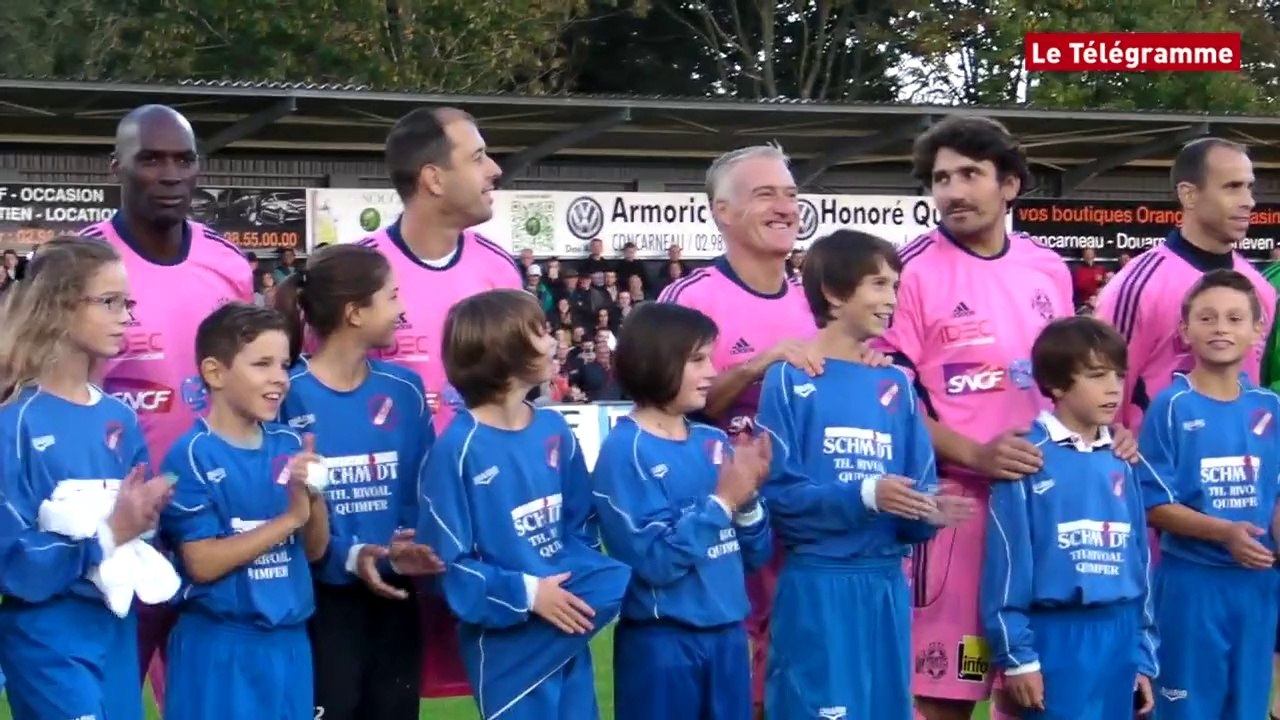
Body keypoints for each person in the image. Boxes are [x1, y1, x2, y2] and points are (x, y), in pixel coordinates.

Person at [879, 115, 1138, 720]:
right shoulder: (909, 270)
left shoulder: (1046, 267)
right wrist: (976, 455)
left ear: (1011, 185)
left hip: (1047, 515)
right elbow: (890, 404)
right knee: (947, 694)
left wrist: (1105, 434)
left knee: (1031, 695)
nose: (952, 191)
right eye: (941, 178)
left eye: (970, 174)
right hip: (961, 514)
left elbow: (1075, 374)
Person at [755, 229, 976, 719]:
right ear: (834, 293)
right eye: (878, 285)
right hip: (820, 586)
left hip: (886, 588)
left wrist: (927, 514)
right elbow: (780, 501)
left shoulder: (895, 383)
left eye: (895, 286)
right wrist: (866, 494)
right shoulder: (790, 379)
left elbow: (914, 490)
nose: (891, 299)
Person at [78, 104, 255, 709]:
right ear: (117, 167)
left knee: (210, 700)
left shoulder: (227, 264)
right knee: (102, 699)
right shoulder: (77, 266)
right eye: (152, 159)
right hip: (117, 526)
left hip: (211, 521)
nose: (171, 174)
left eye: (183, 159)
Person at [357, 107, 523, 699]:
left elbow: (522, 402)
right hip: (385, 537)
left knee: (510, 694)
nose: (495, 169)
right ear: (432, 178)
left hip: (487, 533)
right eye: (477, 157)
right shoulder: (358, 273)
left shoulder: (501, 270)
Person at [655, 144, 822, 715]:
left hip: (802, 534)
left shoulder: (815, 305)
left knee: (802, 690)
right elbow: (658, 407)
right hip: (723, 532)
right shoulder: (691, 299)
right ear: (722, 212)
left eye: (791, 194)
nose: (785, 207)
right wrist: (754, 365)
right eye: (765, 194)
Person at [417, 289, 631, 720]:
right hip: (507, 639)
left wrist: (564, 586)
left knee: (622, 577)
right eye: (541, 332)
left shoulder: (553, 428)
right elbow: (448, 565)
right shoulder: (458, 449)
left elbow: (580, 526)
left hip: (565, 622)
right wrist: (530, 594)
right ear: (506, 352)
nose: (554, 342)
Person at [0, 237, 175, 720]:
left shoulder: (119, 416)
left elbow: (140, 530)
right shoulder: (14, 422)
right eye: (109, 302)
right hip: (48, 636)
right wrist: (108, 533)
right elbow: (12, 557)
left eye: (127, 303)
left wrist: (146, 516)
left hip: (116, 627)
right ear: (58, 306)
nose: (126, 316)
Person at [274, 244, 445, 720]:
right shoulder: (286, 391)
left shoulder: (405, 389)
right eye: (391, 296)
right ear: (354, 312)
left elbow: (422, 491)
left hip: (395, 594)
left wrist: (405, 550)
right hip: (320, 602)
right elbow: (282, 507)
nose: (403, 309)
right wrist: (348, 555)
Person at [592, 302, 774, 720]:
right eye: (697, 360)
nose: (712, 371)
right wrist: (723, 502)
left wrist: (747, 502)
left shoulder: (713, 441)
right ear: (656, 362)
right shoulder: (626, 452)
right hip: (663, 643)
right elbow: (656, 562)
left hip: (727, 637)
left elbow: (755, 554)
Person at [158, 303, 330, 720]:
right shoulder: (192, 455)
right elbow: (202, 562)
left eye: (285, 364)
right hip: (221, 646)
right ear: (215, 373)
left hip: (289, 644)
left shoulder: (289, 444)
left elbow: (314, 551)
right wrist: (289, 518)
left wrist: (313, 496)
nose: (279, 378)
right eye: (262, 364)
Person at [980, 317, 1157, 719]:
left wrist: (1143, 654)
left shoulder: (1122, 457)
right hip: (1056, 636)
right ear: (1057, 385)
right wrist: (1018, 658)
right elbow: (1005, 571)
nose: (1113, 387)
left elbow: (1140, 561)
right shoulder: (1027, 457)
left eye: (1118, 374)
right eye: (1097, 375)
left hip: (1119, 633)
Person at [1135, 269, 1280, 720]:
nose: (1221, 328)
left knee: (1248, 709)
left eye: (1235, 318)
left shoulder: (1270, 408)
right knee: (1188, 710)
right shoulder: (1171, 406)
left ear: (1258, 330)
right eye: (1208, 317)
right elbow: (1153, 505)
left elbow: (1273, 495)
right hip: (1192, 585)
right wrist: (1225, 533)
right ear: (1186, 330)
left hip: (1257, 587)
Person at [1097, 137, 1276, 432]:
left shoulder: (1260, 288)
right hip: (1158, 474)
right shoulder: (1137, 286)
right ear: (1189, 195)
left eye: (1249, 187)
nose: (1249, 201)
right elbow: (1101, 396)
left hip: (1243, 468)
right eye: (1232, 187)